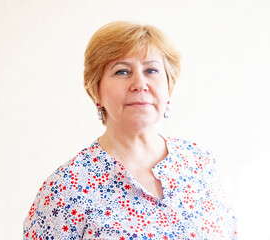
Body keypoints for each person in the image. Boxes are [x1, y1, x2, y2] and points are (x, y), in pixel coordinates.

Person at [23, 21, 237, 240]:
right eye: (122, 71)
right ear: (96, 90)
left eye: (151, 70)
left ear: (168, 86)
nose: (139, 84)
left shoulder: (201, 164)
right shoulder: (65, 190)